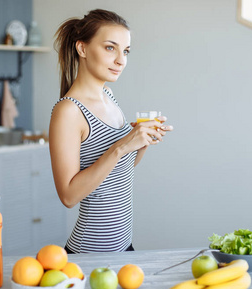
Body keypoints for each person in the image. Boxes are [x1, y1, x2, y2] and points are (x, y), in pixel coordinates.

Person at [49, 9, 173, 254]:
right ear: (82, 49)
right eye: (110, 48)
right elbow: (69, 196)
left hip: (123, 245)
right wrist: (123, 145)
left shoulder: (109, 97)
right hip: (91, 251)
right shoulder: (68, 111)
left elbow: (116, 172)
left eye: (125, 51)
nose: (121, 60)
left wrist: (142, 140)